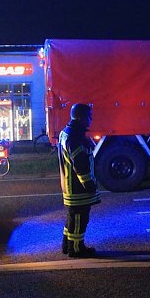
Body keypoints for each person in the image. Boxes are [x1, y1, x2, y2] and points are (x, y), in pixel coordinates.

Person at [58, 103, 101, 258]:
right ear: (82, 118)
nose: (91, 119)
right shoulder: (75, 137)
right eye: (89, 116)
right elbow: (80, 165)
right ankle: (76, 248)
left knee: (72, 218)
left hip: (70, 186)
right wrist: (89, 184)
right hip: (77, 188)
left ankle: (67, 244)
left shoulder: (67, 132)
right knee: (79, 219)